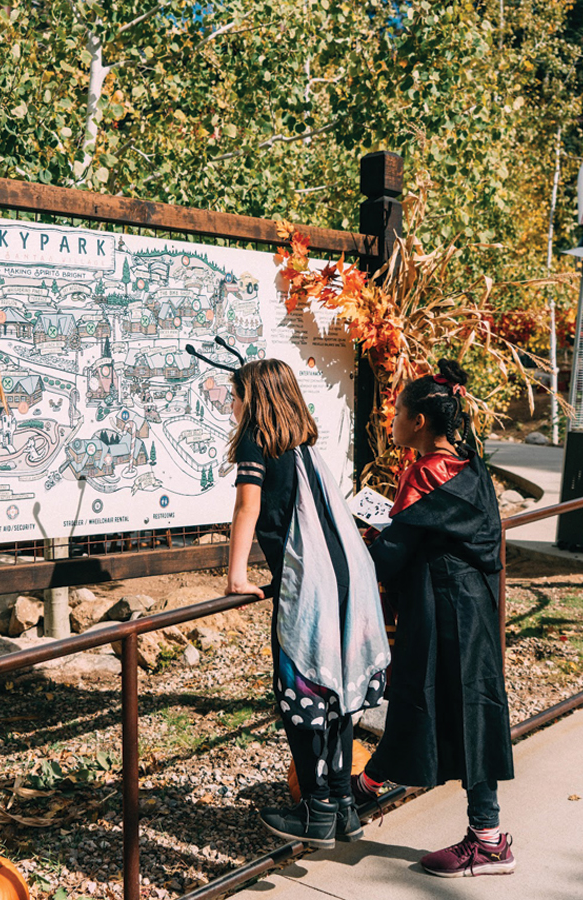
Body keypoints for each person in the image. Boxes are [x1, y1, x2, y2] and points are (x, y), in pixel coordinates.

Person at [356, 358, 516, 877]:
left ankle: (489, 840)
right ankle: (366, 787)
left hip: (444, 609)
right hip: (472, 607)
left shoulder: (426, 473)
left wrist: (353, 550)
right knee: (456, 703)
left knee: (434, 699)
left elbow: (394, 553)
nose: (392, 421)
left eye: (398, 413)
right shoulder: (469, 465)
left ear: (419, 422)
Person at [222, 357, 390, 848]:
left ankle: (315, 810)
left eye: (235, 396)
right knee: (337, 693)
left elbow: (247, 505)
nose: (231, 405)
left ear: (253, 399)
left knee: (303, 693)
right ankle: (342, 805)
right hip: (348, 583)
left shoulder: (256, 441)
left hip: (310, 588)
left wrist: (235, 576)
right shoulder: (303, 446)